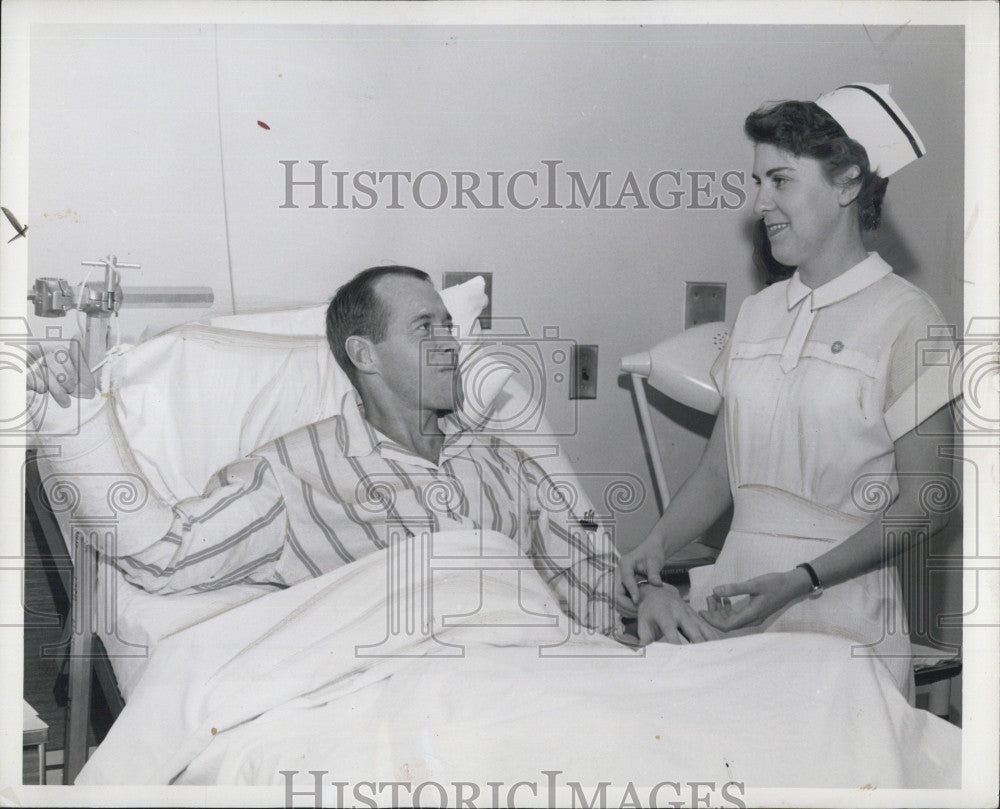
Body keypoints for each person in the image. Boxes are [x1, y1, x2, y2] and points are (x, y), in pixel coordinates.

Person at [28, 265, 624, 635]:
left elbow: (586, 581)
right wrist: (78, 426)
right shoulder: (295, 475)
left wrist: (645, 600)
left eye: (450, 327)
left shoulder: (503, 461)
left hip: (543, 682)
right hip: (420, 693)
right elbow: (164, 554)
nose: (451, 344)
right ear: (364, 356)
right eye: (426, 329)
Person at [618, 83, 958, 696]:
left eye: (779, 181)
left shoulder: (910, 318)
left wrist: (803, 577)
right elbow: (720, 471)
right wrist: (657, 541)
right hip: (737, 594)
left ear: (849, 183)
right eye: (757, 182)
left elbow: (930, 499)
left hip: (842, 600)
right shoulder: (757, 313)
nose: (759, 203)